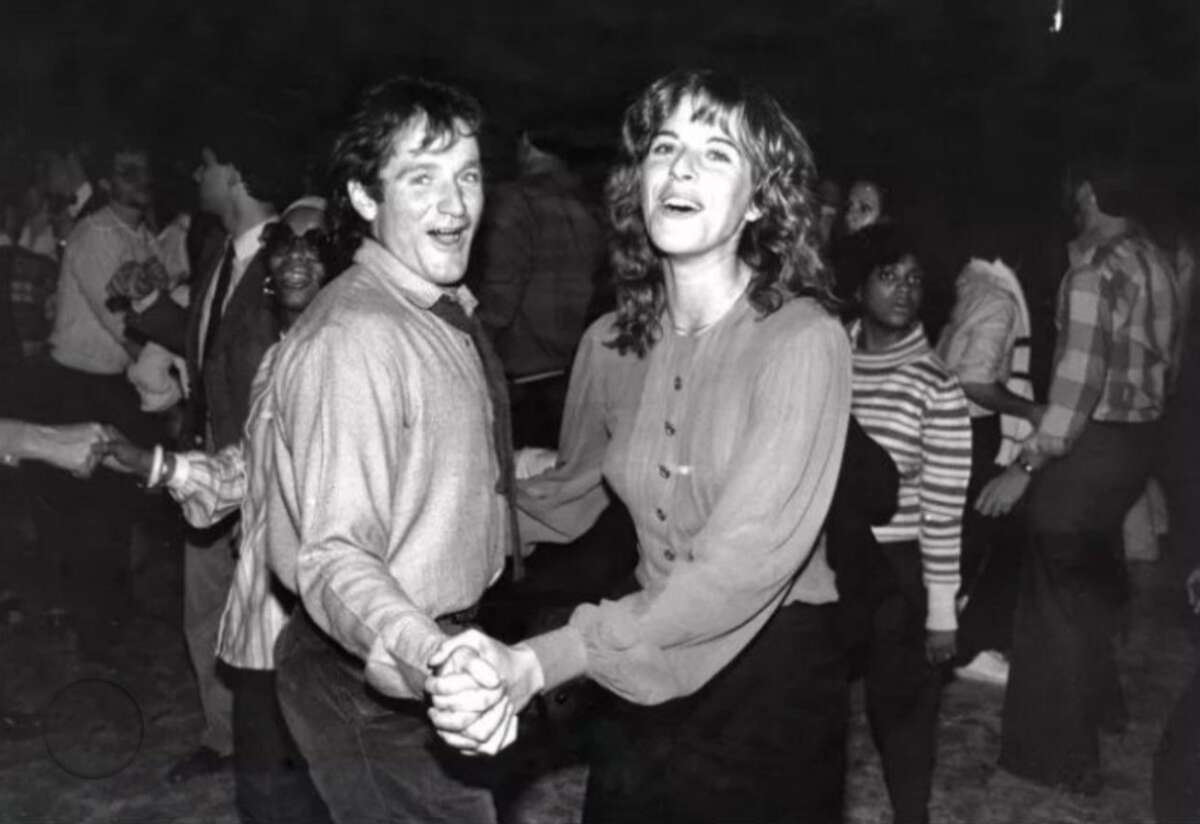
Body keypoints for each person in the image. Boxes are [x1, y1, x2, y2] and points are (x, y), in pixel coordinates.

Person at [428, 69, 852, 824]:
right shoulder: (612, 344)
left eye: (717, 153)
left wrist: (541, 661)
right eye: (665, 147)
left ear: (760, 199)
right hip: (642, 655)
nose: (682, 170)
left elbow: (740, 565)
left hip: (768, 671)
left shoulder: (802, 341)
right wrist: (417, 540)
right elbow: (565, 496)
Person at [240, 77, 515, 824]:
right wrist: (435, 656)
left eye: (468, 176)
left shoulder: (434, 312)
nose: (455, 206)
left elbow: (430, 479)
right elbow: (332, 556)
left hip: (421, 652)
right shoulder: (358, 338)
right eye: (421, 179)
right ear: (364, 197)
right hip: (371, 674)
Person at [103, 198, 335, 824]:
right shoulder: (280, 362)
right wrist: (154, 464)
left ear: (341, 264)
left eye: (316, 246)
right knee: (263, 793)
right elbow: (246, 466)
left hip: (332, 631)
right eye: (284, 241)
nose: (293, 255)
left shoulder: (356, 359)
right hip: (266, 623)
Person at [978, 158, 1180, 794]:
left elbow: (1075, 389)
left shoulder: (1093, 273)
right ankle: (1104, 710)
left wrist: (1027, 464)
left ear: (1088, 192)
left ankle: (1057, 759)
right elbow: (1166, 366)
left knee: (1054, 599)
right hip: (1137, 443)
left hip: (1088, 449)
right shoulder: (1158, 262)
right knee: (1088, 580)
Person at [126, 127, 290, 784]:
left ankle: (283, 750)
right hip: (206, 473)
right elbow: (209, 348)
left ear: (235, 172)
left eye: (206, 163)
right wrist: (148, 306)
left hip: (265, 481)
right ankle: (222, 736)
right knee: (204, 613)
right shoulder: (221, 251)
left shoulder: (293, 259)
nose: (197, 174)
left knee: (274, 624)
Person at [846, 223, 972, 824]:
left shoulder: (936, 385)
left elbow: (945, 512)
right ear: (860, 284)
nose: (903, 290)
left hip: (898, 571)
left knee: (900, 713)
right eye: (888, 275)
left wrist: (942, 613)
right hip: (822, 562)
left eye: (915, 279)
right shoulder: (823, 360)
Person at [22, 138, 166, 660]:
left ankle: (114, 613)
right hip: (77, 387)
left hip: (113, 387)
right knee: (88, 517)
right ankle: (95, 632)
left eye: (144, 170)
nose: (139, 179)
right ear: (108, 182)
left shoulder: (143, 235)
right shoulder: (94, 235)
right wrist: (167, 382)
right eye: (127, 170)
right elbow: (124, 324)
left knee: (116, 510)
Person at [935, 233, 1038, 686]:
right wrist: (1031, 410)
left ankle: (954, 627)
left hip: (939, 424)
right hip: (972, 427)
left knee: (957, 535)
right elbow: (975, 382)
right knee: (997, 530)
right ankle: (970, 646)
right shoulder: (999, 299)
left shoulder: (964, 281)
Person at [470, 129, 605, 448]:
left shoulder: (513, 202)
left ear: (525, 143)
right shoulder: (588, 205)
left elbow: (500, 296)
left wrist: (469, 346)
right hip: (573, 376)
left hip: (521, 382)